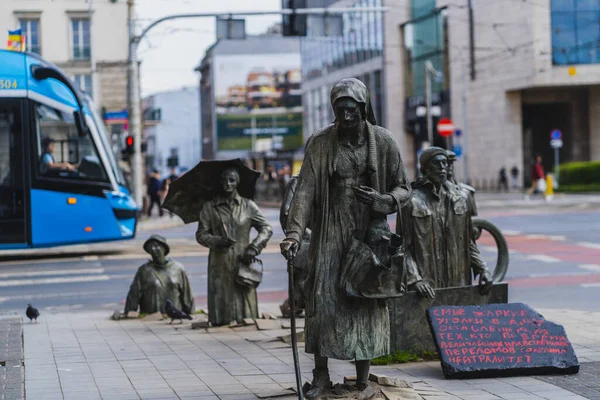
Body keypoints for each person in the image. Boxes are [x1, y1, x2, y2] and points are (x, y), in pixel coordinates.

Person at [280, 78, 411, 399]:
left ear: (363, 109)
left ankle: (362, 379)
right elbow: (305, 191)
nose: (346, 116)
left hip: (368, 234)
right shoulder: (320, 143)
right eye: (340, 110)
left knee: (363, 301)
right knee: (322, 302)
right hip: (329, 233)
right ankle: (321, 376)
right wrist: (294, 233)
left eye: (351, 110)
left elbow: (404, 188)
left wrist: (385, 201)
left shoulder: (383, 141)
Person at [402, 147, 493, 300]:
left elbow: (468, 242)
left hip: (458, 282)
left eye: (444, 163)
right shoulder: (411, 201)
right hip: (427, 286)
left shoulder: (460, 199)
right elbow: (402, 247)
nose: (442, 167)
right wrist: (415, 279)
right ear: (424, 168)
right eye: (437, 164)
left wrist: (483, 269)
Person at [196, 167, 273, 326]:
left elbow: (266, 228)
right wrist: (217, 241)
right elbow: (201, 235)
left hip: (243, 259)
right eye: (224, 180)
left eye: (231, 180)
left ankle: (245, 320)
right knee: (221, 299)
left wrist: (254, 247)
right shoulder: (210, 207)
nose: (227, 183)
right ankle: (221, 321)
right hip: (220, 262)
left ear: (237, 182)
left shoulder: (248, 206)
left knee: (244, 300)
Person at [124, 235, 195, 315]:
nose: (153, 249)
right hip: (151, 319)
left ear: (164, 248)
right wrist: (129, 314)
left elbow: (187, 295)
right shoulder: (144, 270)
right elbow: (133, 295)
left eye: (157, 246)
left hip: (174, 318)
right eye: (150, 247)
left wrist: (191, 314)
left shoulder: (178, 269)